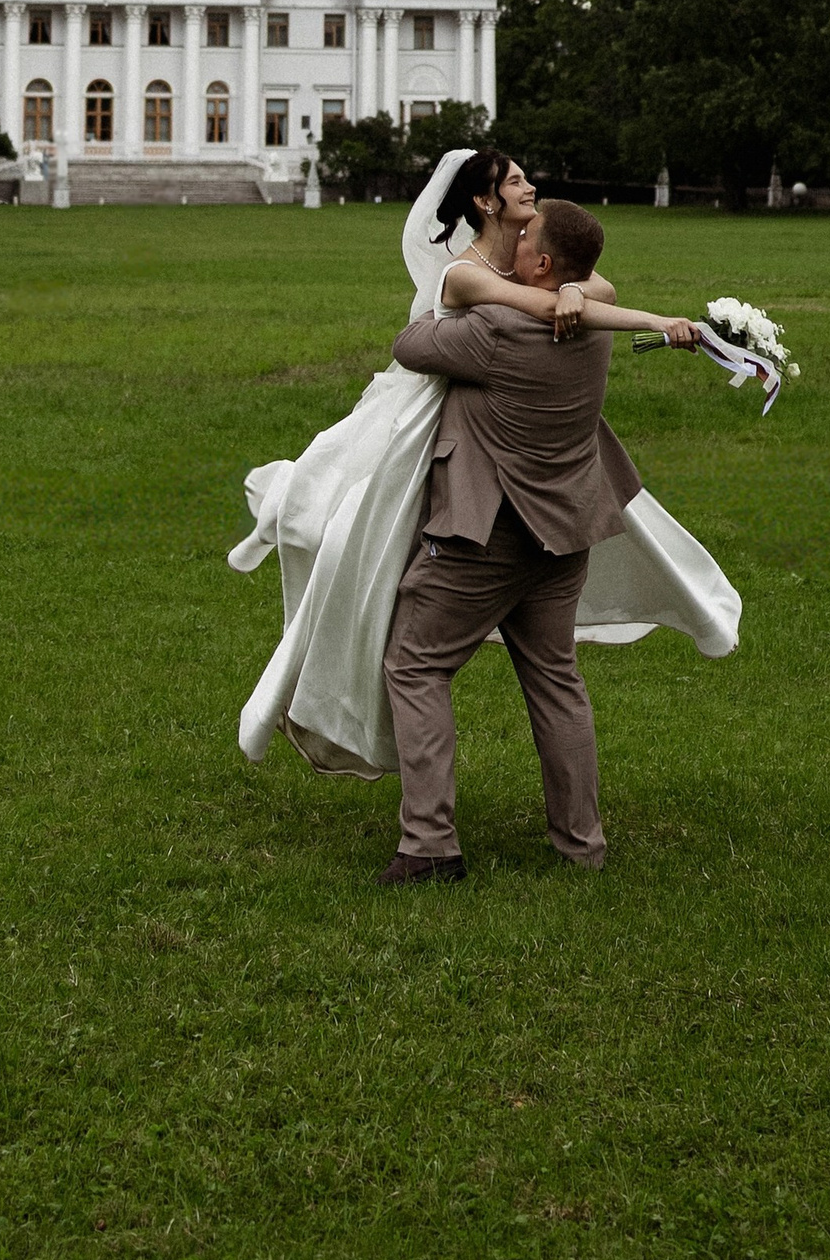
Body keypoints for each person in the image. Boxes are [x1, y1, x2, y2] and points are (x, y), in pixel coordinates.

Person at [230, 146, 742, 787]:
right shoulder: (468, 275)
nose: (531, 186)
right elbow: (517, 308)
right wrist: (582, 303)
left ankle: (432, 840)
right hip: (452, 423)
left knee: (456, 661)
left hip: (506, 453)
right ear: (483, 201)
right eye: (517, 180)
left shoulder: (536, 252)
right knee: (365, 547)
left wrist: (592, 294)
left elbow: (593, 284)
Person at [379, 196, 683, 882]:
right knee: (555, 681)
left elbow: (411, 342)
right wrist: (576, 289)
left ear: (543, 265)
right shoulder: (593, 324)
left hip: (483, 536)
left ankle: (429, 846)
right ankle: (582, 845)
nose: (512, 242)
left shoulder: (493, 332)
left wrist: (457, 289)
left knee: (417, 664)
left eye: (525, 241)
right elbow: (599, 288)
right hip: (565, 534)